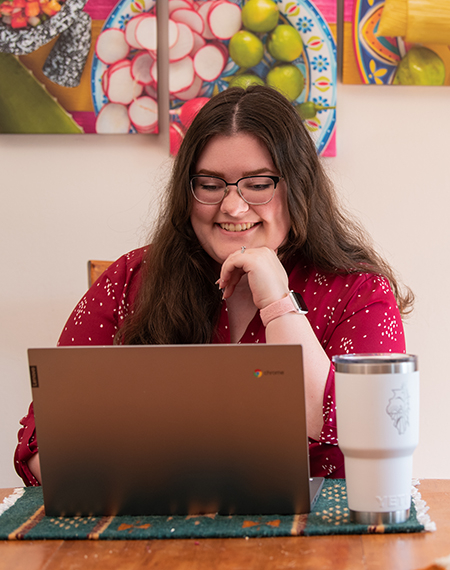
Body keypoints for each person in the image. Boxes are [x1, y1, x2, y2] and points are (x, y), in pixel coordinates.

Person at [15, 85, 413, 486]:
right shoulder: (129, 280)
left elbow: (370, 440)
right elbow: (41, 450)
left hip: (318, 542)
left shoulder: (359, 292)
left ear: (299, 186)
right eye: (210, 184)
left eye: (258, 184)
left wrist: (279, 304)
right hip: (154, 536)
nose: (233, 207)